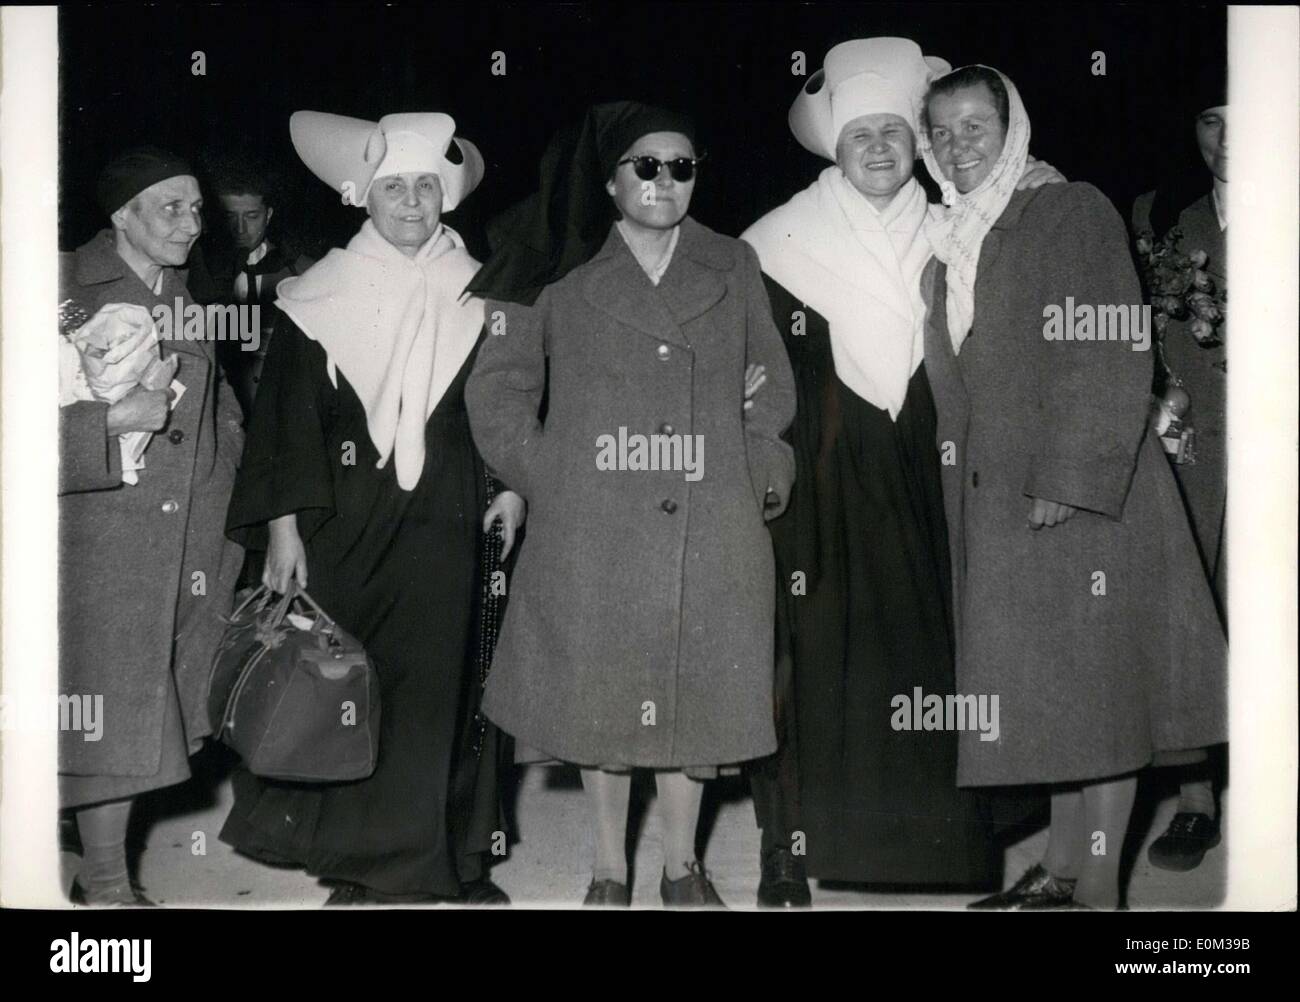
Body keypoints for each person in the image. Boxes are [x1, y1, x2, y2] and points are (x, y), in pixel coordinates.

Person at [741, 38, 1066, 907]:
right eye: (860, 135)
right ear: (833, 147)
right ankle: (786, 844)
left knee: (939, 649)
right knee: (801, 654)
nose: (879, 147)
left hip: (931, 462)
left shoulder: (956, 224)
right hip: (821, 470)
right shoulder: (773, 240)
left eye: (894, 131)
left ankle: (943, 839)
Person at [465, 101, 796, 908]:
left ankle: (683, 866)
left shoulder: (733, 262)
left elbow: (772, 387)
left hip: (712, 517)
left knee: (700, 701)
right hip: (594, 525)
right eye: (645, 165)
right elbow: (501, 390)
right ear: (609, 180)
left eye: (681, 167)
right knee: (599, 698)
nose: (664, 181)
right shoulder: (552, 265)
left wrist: (758, 471)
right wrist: (553, 475)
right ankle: (609, 867)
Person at [918, 65, 1227, 909]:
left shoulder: (1066, 209)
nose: (958, 146)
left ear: (1012, 126)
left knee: (1101, 697)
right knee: (1053, 695)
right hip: (1003, 505)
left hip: (1086, 498)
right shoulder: (949, 247)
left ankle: (1095, 891)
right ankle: (1056, 874)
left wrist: (1070, 477)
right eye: (940, 133)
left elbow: (1109, 345)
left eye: (975, 126)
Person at [220, 111, 518, 905]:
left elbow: (508, 405)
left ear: (447, 194)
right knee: (356, 687)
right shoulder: (318, 292)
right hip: (345, 522)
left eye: (426, 185)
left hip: (455, 516)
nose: (412, 201)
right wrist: (281, 527)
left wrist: (516, 486)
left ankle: (450, 861)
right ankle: (360, 866)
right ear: (366, 197)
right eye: (394, 187)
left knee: (453, 688)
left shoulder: (485, 287)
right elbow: (283, 420)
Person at [59, 146, 245, 904]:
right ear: (120, 214)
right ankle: (105, 886)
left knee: (143, 712)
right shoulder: (61, 285)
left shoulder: (183, 292)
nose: (193, 223)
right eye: (172, 206)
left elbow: (219, 402)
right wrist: (106, 427)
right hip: (96, 539)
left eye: (197, 207)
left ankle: (96, 865)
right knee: (108, 714)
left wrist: (229, 470)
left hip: (187, 537)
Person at [1130, 61, 1229, 873]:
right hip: (1198, 452)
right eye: (1210, 119)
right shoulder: (1163, 217)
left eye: (1248, 118)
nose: (1228, 141)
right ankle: (1196, 800)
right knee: (1191, 614)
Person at [188, 162, 315, 421]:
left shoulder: (303, 273)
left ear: (268, 215)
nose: (240, 229)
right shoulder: (189, 272)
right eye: (229, 217)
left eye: (251, 216)